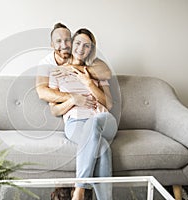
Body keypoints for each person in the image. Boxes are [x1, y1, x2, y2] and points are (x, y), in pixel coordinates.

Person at [48, 28, 118, 200]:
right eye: (78, 43)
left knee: (94, 122)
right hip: (75, 123)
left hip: (103, 120)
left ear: (91, 50)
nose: (81, 48)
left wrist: (89, 83)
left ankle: (79, 189)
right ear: (71, 45)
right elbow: (54, 110)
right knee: (102, 148)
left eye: (86, 46)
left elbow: (108, 104)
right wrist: (73, 100)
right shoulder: (57, 72)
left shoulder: (95, 71)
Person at [36, 23, 112, 108]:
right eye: (58, 41)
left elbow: (106, 73)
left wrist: (71, 68)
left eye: (67, 40)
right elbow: (42, 92)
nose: (64, 46)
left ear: (72, 42)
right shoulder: (46, 63)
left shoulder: (84, 58)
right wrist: (73, 98)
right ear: (52, 45)